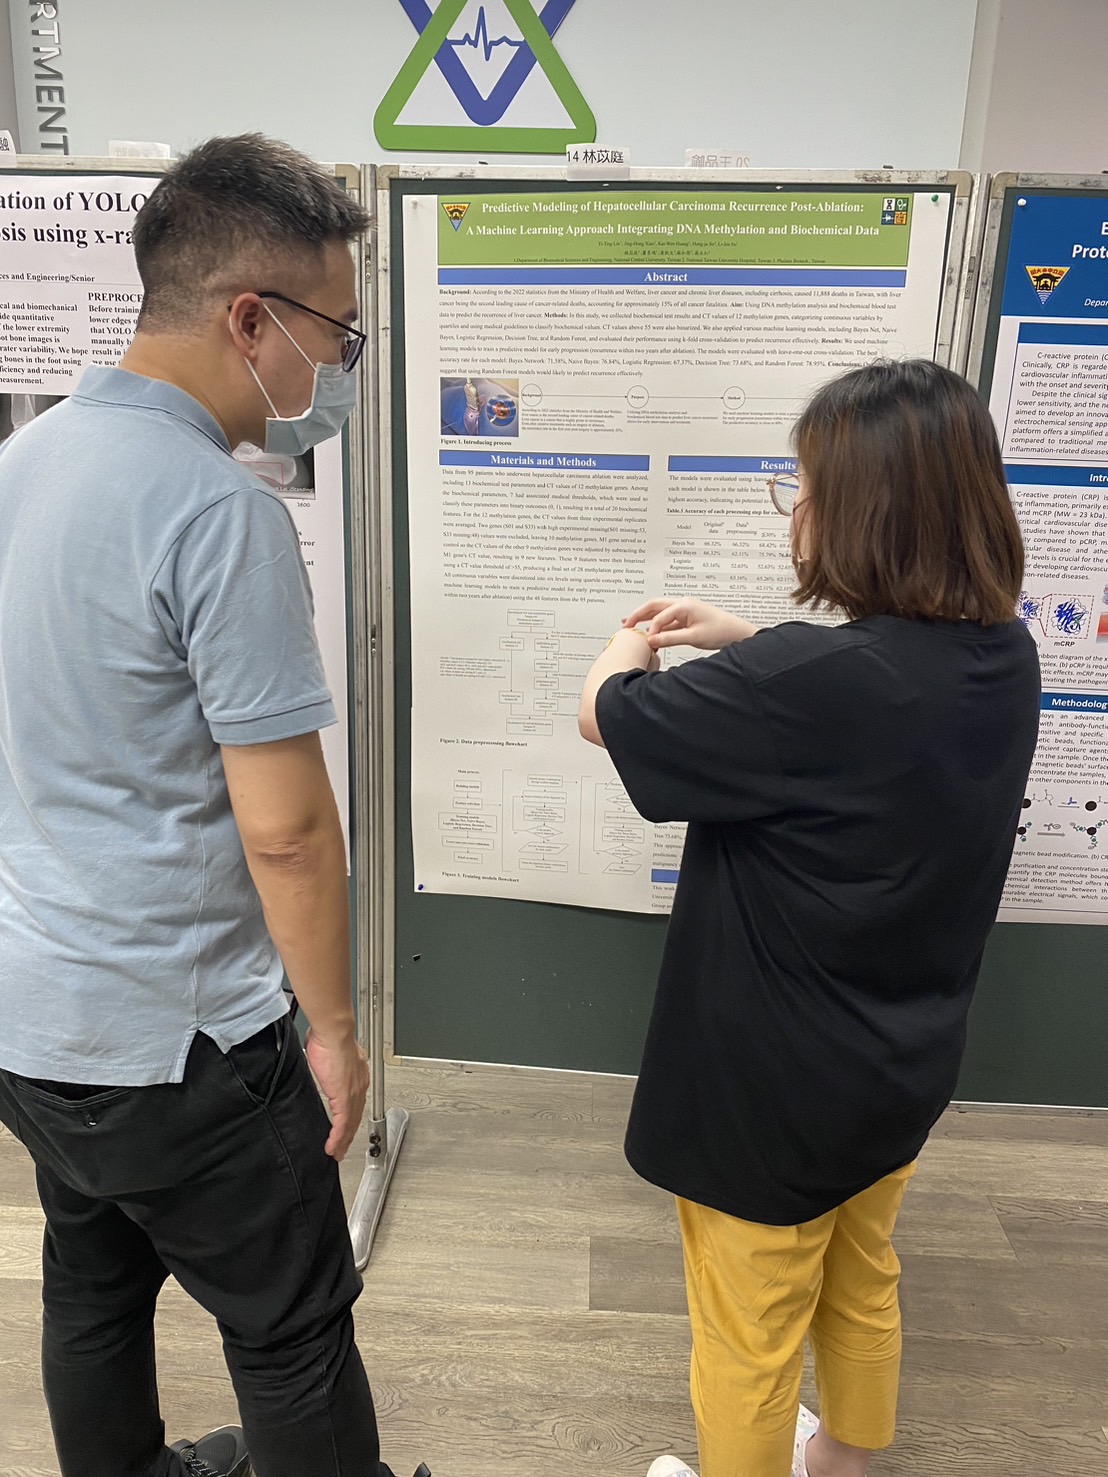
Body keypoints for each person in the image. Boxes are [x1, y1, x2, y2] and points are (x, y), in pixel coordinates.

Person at [0, 136, 426, 1477]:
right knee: (292, 1326)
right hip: (184, 1038)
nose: (337, 368)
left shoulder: (20, 463)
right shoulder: (219, 514)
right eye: (336, 335)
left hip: (35, 1016)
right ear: (251, 319)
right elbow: (287, 830)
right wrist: (336, 1030)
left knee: (91, 1281)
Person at [577, 360, 1040, 1477]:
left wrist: (628, 648)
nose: (797, 512)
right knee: (862, 1271)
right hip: (897, 1070)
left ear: (864, 511)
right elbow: (870, 707)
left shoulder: (807, 681)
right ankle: (843, 1455)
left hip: (768, 1098)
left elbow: (607, 717)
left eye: (804, 488)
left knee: (748, 1335)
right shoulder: (1004, 659)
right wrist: (746, 640)